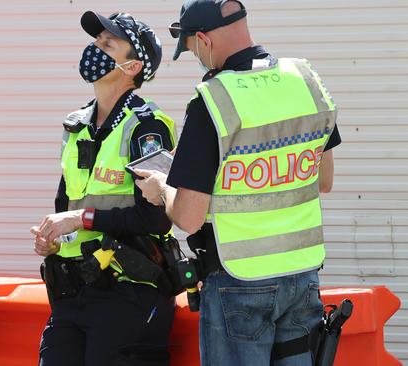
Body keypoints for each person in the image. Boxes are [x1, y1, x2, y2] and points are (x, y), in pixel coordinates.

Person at [135, 0, 342, 365]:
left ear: (203, 39)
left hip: (239, 280)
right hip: (302, 276)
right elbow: (323, 180)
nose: (196, 56)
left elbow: (189, 218)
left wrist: (161, 188)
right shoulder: (305, 80)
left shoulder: (213, 101)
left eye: (192, 47)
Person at [30, 11, 178, 366]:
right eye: (97, 39)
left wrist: (81, 219)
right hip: (72, 292)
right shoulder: (76, 125)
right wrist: (50, 239)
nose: (96, 46)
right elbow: (66, 204)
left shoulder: (148, 128)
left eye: (109, 42)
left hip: (127, 292)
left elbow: (157, 219)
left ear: (133, 66)